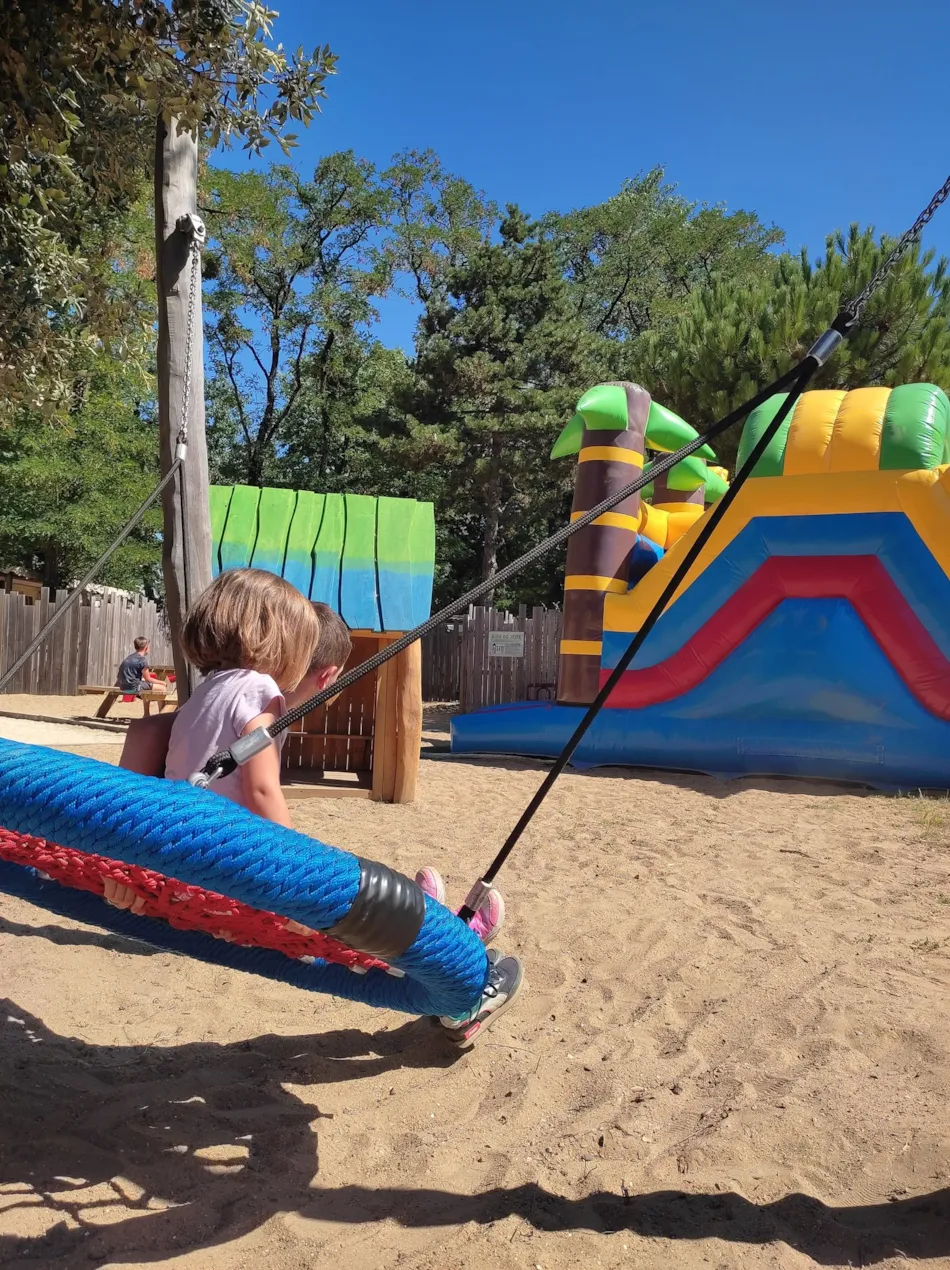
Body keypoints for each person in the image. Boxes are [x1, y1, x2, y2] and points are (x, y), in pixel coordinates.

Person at [106, 571, 524, 1042]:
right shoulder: (258, 690)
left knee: (341, 912)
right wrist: (298, 878)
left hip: (188, 876)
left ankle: (430, 924)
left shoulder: (206, 691)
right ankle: (461, 978)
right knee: (336, 917)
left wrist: (126, 871)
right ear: (277, 639)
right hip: (236, 872)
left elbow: (143, 744)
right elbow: (262, 788)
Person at [116, 636, 166, 715]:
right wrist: (162, 683)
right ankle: (162, 714)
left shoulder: (129, 658)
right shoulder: (142, 660)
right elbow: (148, 679)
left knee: (145, 687)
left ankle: (146, 714)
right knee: (162, 688)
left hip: (123, 687)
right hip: (133, 687)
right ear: (146, 648)